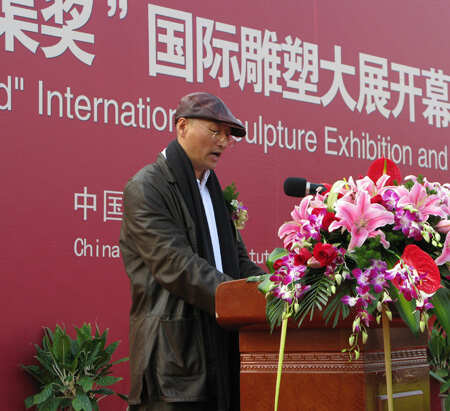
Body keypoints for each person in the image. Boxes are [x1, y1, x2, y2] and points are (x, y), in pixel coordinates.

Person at [119, 92, 264, 411]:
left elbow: (240, 262)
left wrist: (275, 291)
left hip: (220, 350)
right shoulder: (147, 187)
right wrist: (242, 299)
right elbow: (177, 265)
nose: (223, 142)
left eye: (228, 135)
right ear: (182, 126)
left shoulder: (213, 191)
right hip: (174, 362)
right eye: (215, 131)